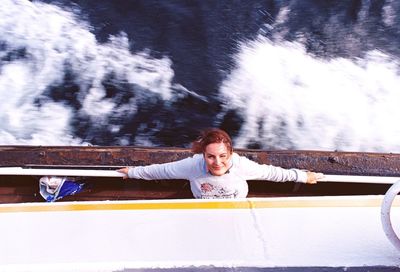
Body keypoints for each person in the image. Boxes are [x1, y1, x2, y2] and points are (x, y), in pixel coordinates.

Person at [117, 128, 324, 199]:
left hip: (237, 209)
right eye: (211, 157)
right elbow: (161, 171)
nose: (217, 163)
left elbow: (271, 173)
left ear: (231, 153)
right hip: (204, 210)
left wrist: (302, 176)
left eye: (223, 156)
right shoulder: (192, 166)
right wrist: (133, 172)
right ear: (203, 155)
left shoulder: (242, 165)